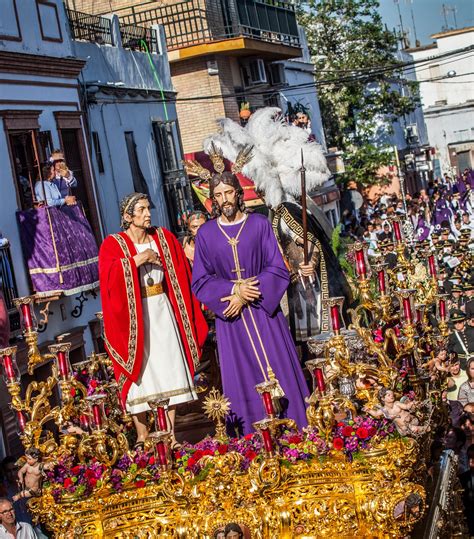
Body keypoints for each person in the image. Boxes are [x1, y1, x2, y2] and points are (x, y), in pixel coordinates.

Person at [191, 172, 309, 435]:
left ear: (238, 192)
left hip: (264, 314)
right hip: (231, 321)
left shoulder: (259, 225)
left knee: (280, 369)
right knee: (243, 378)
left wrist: (247, 292)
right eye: (218, 195)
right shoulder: (207, 234)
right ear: (213, 200)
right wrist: (233, 290)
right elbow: (200, 280)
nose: (225, 199)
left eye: (229, 192)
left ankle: (297, 432)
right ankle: (254, 440)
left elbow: (277, 269)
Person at [99, 193, 208, 447]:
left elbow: (182, 271)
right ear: (128, 216)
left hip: (163, 310)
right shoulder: (113, 244)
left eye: (149, 208)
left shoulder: (164, 238)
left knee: (169, 366)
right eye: (142, 209)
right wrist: (140, 259)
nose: (148, 213)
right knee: (141, 371)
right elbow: (108, 278)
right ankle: (142, 435)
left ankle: (170, 433)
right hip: (135, 315)